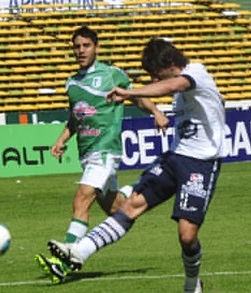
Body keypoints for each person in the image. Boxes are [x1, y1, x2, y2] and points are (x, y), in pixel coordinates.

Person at [45, 38, 227, 292]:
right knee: (130, 206)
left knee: (187, 236)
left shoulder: (196, 73)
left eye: (156, 75)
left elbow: (173, 84)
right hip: (176, 157)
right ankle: (80, 251)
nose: (154, 80)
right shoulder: (179, 81)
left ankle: (192, 284)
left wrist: (130, 92)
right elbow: (169, 85)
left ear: (171, 65)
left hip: (201, 163)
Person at [34, 26, 169, 284]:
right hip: (86, 153)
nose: (81, 50)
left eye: (86, 45)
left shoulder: (111, 74)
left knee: (82, 199)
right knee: (117, 208)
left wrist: (156, 112)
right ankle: (145, 187)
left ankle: (64, 258)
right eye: (77, 46)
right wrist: (61, 140)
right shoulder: (72, 83)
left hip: (105, 149)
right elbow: (75, 118)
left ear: (96, 47)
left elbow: (138, 98)